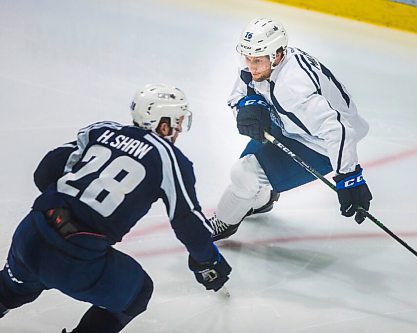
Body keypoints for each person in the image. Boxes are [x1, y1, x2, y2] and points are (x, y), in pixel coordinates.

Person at [0, 83, 231, 332]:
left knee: (10, 290)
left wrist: (64, 210)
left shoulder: (101, 131)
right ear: (164, 124)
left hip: (31, 232)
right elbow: (189, 226)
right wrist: (208, 262)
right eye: (178, 122)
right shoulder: (168, 158)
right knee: (137, 292)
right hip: (76, 256)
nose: (178, 130)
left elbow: (44, 172)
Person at [208, 18, 373, 240]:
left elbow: (337, 131)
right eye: (247, 58)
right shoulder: (261, 61)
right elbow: (238, 95)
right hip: (290, 126)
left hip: (319, 144)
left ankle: (224, 222)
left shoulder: (294, 88)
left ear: (276, 56)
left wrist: (349, 176)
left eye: (256, 60)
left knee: (245, 175)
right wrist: (247, 105)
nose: (250, 66)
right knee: (248, 172)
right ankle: (263, 199)